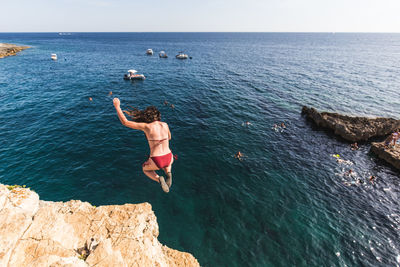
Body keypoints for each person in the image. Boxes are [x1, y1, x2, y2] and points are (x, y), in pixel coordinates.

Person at [113, 98, 173, 193]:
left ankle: (159, 179)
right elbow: (169, 137)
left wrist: (117, 106)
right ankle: (168, 173)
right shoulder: (165, 124)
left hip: (156, 160)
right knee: (167, 163)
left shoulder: (146, 127)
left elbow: (125, 122)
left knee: (145, 170)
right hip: (169, 157)